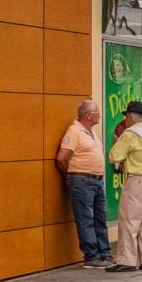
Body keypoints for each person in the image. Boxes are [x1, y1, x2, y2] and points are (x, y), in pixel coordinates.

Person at [106, 100, 142, 272]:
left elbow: (114, 156)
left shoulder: (129, 134)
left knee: (130, 220)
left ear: (130, 116)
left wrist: (117, 143)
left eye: (126, 117)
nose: (125, 120)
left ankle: (127, 261)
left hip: (137, 180)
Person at [55, 100, 111, 268]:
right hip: (82, 180)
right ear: (88, 115)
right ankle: (91, 257)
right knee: (86, 218)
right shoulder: (74, 132)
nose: (100, 116)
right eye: (97, 113)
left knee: (100, 218)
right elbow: (62, 158)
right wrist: (70, 174)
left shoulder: (90, 132)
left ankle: (104, 254)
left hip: (97, 180)